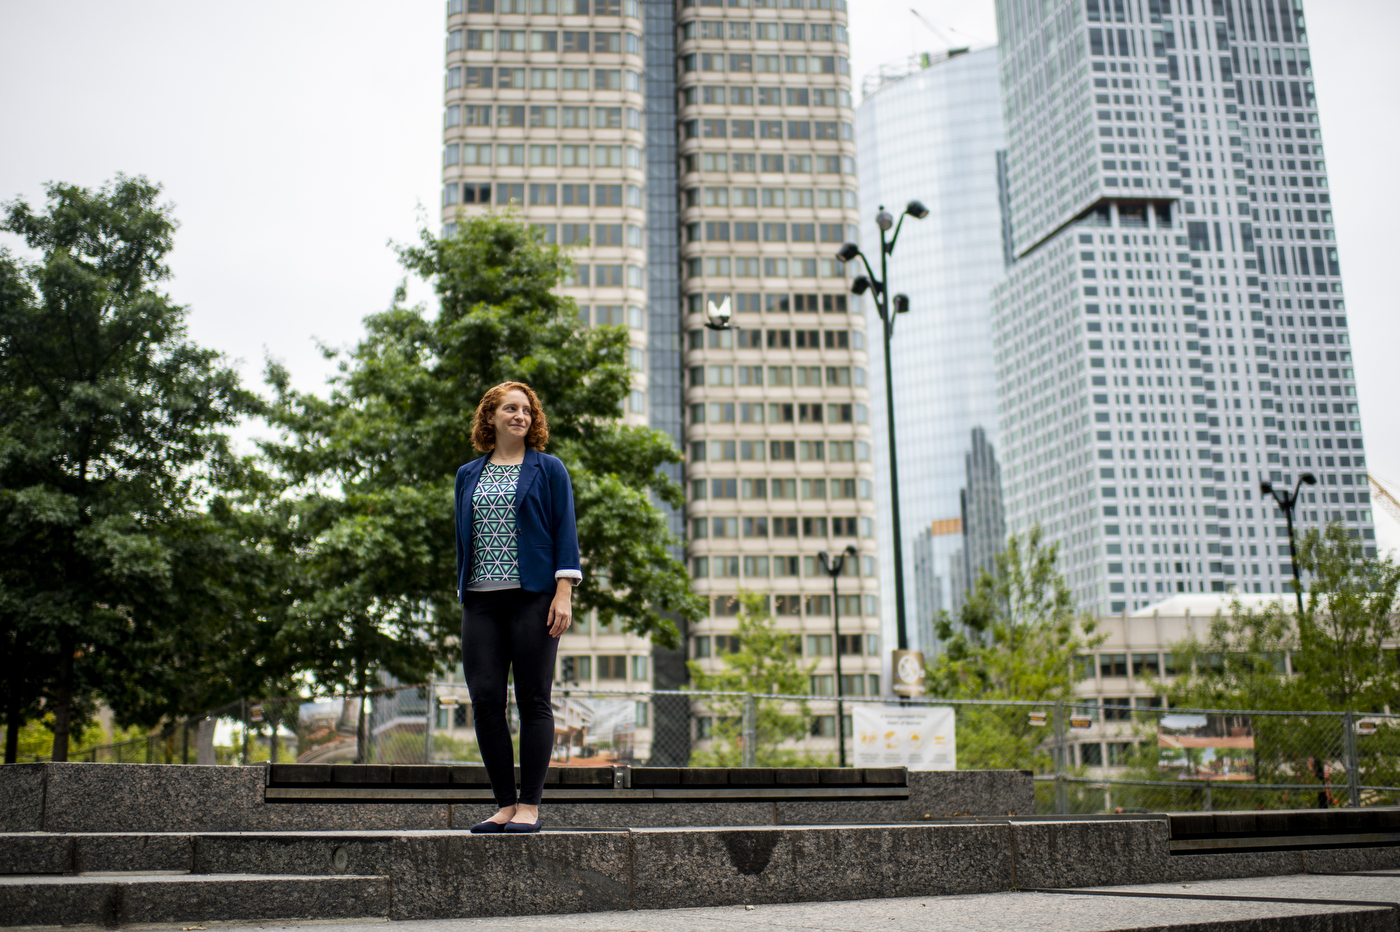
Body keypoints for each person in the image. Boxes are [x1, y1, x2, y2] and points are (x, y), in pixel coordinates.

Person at [454, 381, 581, 834]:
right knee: (486, 700)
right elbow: (462, 540)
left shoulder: (549, 469)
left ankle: (530, 805)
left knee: (533, 700)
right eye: (510, 409)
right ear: (490, 417)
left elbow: (565, 530)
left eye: (526, 410)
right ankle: (504, 804)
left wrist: (563, 590)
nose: (520, 416)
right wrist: (463, 592)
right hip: (481, 600)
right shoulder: (468, 474)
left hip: (534, 598)